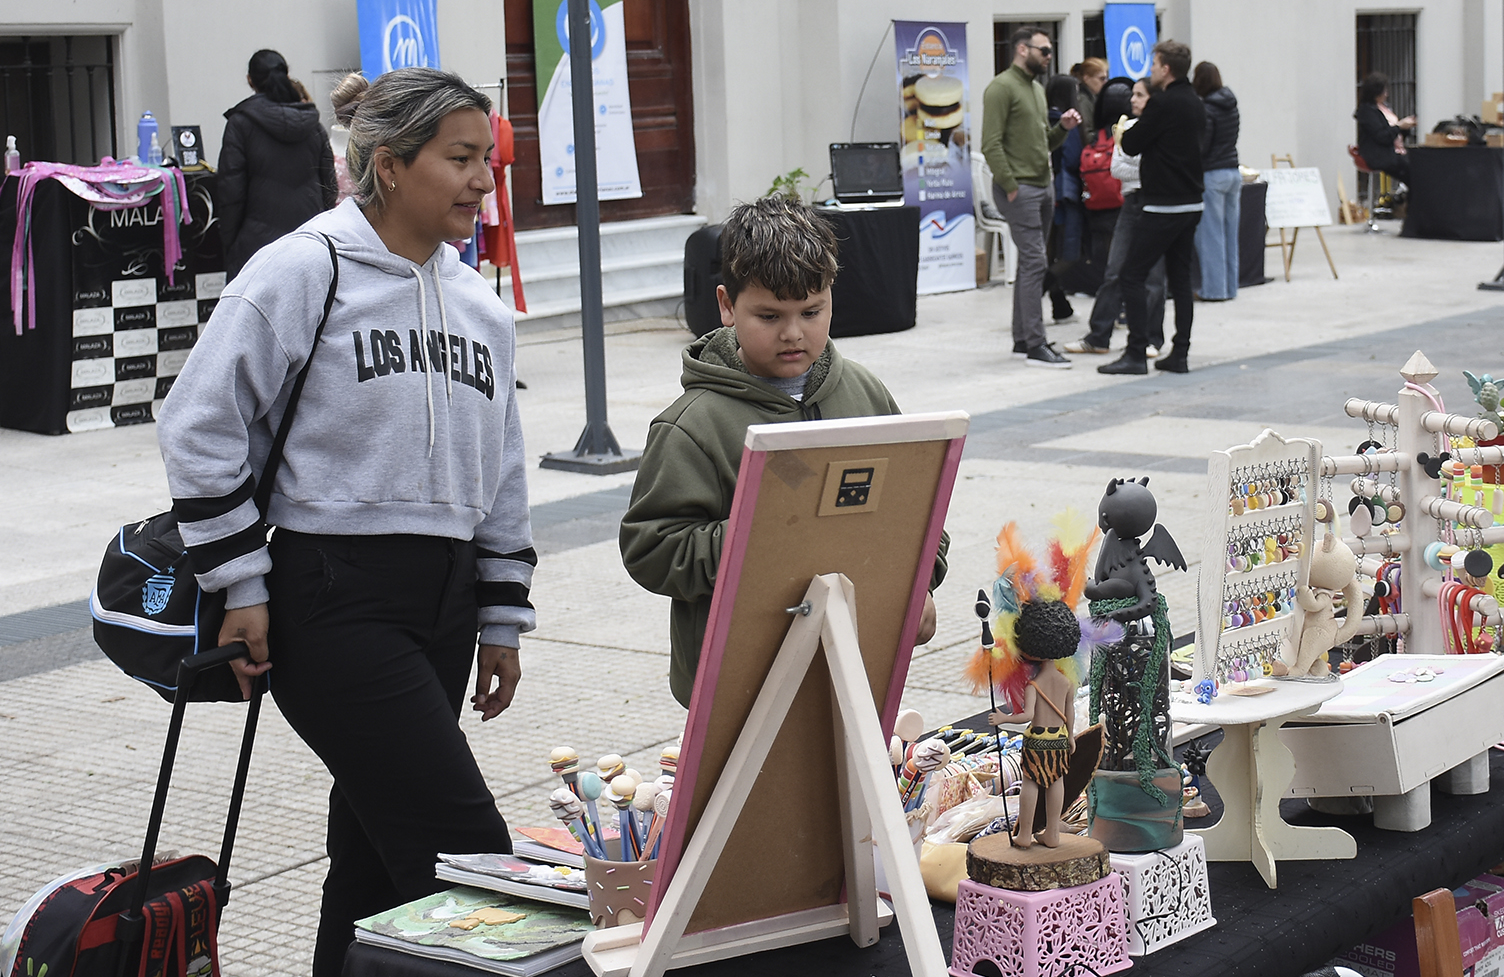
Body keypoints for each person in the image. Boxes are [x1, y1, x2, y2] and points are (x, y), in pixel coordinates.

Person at [158, 68, 534, 977]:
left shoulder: (481, 305)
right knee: (469, 862)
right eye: (460, 158)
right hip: (333, 600)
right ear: (390, 164)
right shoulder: (304, 269)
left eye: (486, 160)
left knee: (373, 869)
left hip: (446, 605)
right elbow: (198, 422)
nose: (482, 180)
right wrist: (240, 582)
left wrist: (500, 614)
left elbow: (502, 467)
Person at [621, 197, 947, 708]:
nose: (793, 333)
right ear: (727, 305)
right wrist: (763, 536)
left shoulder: (864, 393)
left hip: (857, 664)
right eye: (769, 316)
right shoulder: (692, 426)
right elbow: (651, 548)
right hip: (741, 686)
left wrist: (917, 583)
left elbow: (919, 509)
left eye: (811, 312)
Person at [1100, 40, 1205, 377]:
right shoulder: (1195, 101)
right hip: (1192, 202)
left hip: (1163, 205)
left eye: (1154, 64)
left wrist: (1130, 132)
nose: (1151, 69)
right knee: (1180, 279)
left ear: (1166, 69)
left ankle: (1135, 352)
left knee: (1132, 275)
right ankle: (1180, 352)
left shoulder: (1162, 103)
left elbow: (1131, 145)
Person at [981, 26, 1073, 367]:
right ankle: (1036, 343)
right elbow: (990, 143)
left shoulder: (1035, 88)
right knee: (1035, 262)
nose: (1048, 56)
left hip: (1042, 185)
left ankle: (1023, 338)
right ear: (1023, 49)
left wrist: (1063, 129)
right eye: (1043, 50)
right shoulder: (1001, 87)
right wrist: (1010, 184)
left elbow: (1043, 141)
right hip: (1020, 189)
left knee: (1031, 263)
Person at [1065, 78, 1166, 358]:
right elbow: (1117, 168)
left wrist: (1142, 165)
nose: (1132, 100)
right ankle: (1098, 336)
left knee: (1154, 276)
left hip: (1155, 202)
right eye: (1132, 95)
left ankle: (1152, 339)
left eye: (1139, 95)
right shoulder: (1127, 127)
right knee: (1114, 270)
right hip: (1130, 204)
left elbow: (1160, 166)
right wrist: (1147, 165)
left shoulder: (1163, 126)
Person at [215, 49, 339, 276]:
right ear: (286, 74)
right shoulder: (313, 125)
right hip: (309, 243)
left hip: (256, 250)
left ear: (250, 80)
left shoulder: (240, 124)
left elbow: (230, 191)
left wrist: (230, 243)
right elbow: (330, 186)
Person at [1192, 60, 1242, 301]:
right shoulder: (1231, 104)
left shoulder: (1207, 108)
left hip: (1212, 174)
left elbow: (1204, 145)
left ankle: (1214, 290)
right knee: (1231, 234)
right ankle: (1230, 287)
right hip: (1233, 171)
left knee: (1211, 235)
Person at [1045, 72, 1086, 323]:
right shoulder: (1067, 122)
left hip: (1048, 189)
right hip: (1067, 192)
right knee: (1071, 252)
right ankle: (1037, 291)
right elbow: (1073, 158)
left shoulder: (1044, 118)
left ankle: (1060, 306)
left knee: (1049, 251)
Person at [1354, 71, 1413, 189]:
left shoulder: (1380, 108)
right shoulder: (1367, 112)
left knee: (1416, 165)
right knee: (1412, 171)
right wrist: (1399, 127)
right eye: (1384, 91)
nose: (1386, 94)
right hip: (1378, 155)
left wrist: (1405, 128)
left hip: (1389, 152)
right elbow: (1382, 136)